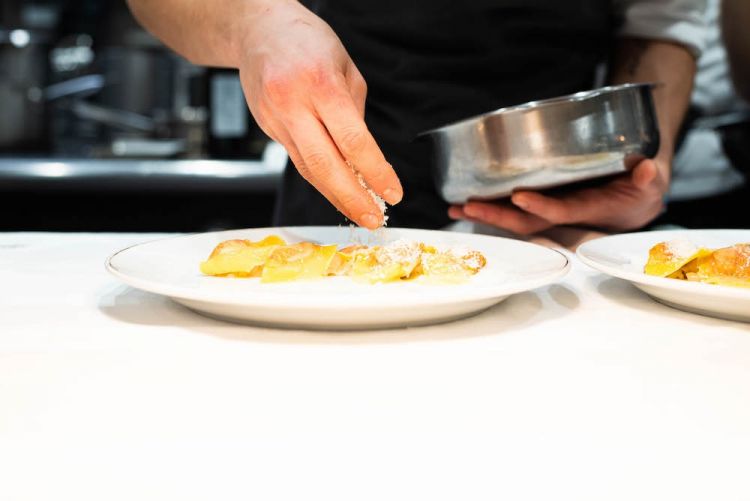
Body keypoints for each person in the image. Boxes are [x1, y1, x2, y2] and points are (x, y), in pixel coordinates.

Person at [127, 0, 706, 233]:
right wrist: (255, 23)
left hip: (566, 217)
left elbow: (662, 28)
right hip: (342, 210)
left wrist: (646, 165)